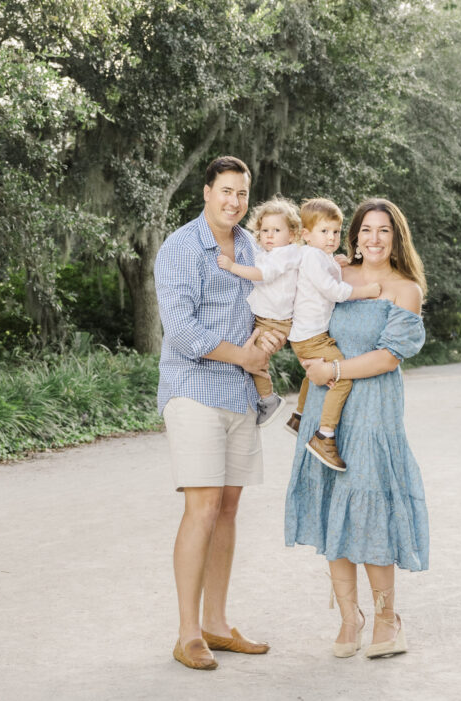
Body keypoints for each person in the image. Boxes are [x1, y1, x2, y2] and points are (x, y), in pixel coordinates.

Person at [284, 198, 430, 660]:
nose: (374, 238)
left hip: (372, 411)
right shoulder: (334, 275)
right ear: (354, 236)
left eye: (384, 230)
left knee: (369, 509)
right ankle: (350, 618)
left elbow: (390, 356)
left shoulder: (405, 289)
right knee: (334, 510)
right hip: (327, 410)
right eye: (366, 229)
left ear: (396, 237)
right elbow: (300, 313)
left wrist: (335, 370)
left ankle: (388, 618)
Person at [154, 156, 284, 671]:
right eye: (225, 191)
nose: (234, 202)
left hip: (238, 393)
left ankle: (217, 623)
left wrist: (269, 338)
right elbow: (182, 333)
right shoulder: (182, 248)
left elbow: (266, 306)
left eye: (242, 194)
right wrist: (244, 355)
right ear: (206, 192)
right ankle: (187, 634)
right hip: (193, 389)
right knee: (202, 507)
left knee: (229, 509)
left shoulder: (252, 248)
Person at [286, 199, 380, 471]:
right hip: (312, 337)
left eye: (336, 232)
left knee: (313, 374)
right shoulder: (312, 257)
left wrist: (337, 263)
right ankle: (324, 435)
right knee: (341, 377)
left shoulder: (320, 257)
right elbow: (333, 291)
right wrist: (365, 291)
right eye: (324, 232)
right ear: (306, 234)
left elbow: (327, 275)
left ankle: (299, 416)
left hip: (307, 334)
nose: (332, 238)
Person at [215, 195, 304, 427]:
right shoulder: (274, 253)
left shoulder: (283, 256)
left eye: (276, 230)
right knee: (253, 356)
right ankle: (265, 397)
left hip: (274, 322)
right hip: (268, 319)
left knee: (254, 359)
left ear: (292, 235)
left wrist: (233, 267)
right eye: (265, 230)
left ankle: (268, 399)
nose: (270, 235)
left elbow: (261, 274)